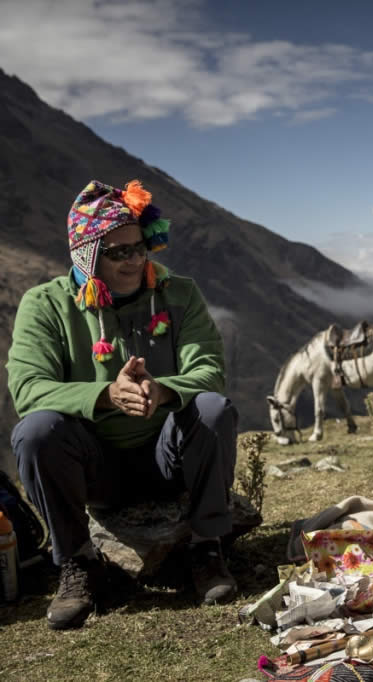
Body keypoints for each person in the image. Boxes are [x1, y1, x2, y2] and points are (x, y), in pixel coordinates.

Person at [7, 179, 239, 630]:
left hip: (167, 455)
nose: (134, 261)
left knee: (212, 409)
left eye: (139, 248)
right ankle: (78, 562)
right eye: (118, 253)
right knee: (35, 432)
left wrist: (165, 391)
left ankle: (207, 546)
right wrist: (105, 395)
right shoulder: (46, 305)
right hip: (97, 468)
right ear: (87, 255)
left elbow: (208, 368)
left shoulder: (179, 293)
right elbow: (29, 388)